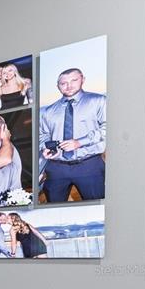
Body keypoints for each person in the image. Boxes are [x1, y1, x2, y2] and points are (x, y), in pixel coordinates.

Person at [38, 67, 106, 202]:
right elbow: (43, 135)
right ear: (58, 86)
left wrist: (80, 142)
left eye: (74, 80)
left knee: (96, 207)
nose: (68, 86)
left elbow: (107, 128)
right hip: (56, 168)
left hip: (89, 165)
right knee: (54, 208)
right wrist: (45, 148)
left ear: (83, 80)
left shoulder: (99, 101)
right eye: (63, 83)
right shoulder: (47, 111)